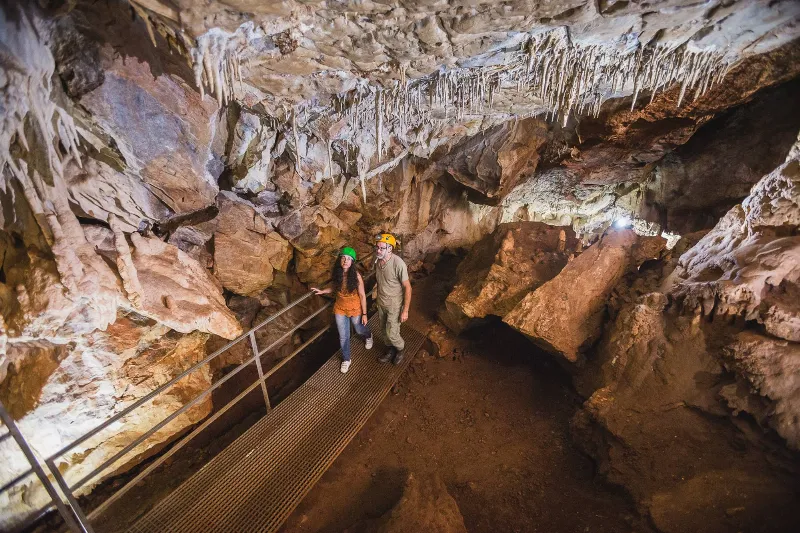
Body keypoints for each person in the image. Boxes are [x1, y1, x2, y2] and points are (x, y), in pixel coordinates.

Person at [311, 247, 373, 374]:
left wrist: (365, 314)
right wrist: (323, 291)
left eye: (349, 259)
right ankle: (346, 359)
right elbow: (335, 288)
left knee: (359, 328)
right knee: (343, 336)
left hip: (355, 308)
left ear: (352, 262)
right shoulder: (337, 274)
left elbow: (362, 295)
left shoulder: (356, 276)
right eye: (343, 258)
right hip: (340, 308)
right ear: (340, 260)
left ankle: (368, 335)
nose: (346, 261)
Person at [374, 232, 412, 365]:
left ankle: (401, 349)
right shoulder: (378, 261)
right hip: (382, 302)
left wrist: (405, 310)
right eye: (377, 247)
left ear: (390, 248)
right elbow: (380, 281)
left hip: (394, 304)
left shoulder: (398, 264)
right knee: (384, 330)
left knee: (392, 333)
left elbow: (408, 287)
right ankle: (390, 350)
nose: (378, 250)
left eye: (381, 248)